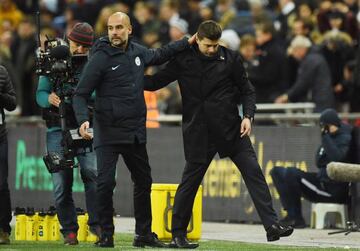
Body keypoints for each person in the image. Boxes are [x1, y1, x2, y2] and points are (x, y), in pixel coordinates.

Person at [144, 20, 294, 249]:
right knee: (190, 184)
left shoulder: (231, 58)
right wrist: (128, 78)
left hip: (231, 129)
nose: (212, 50)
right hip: (199, 132)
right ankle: (178, 234)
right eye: (207, 46)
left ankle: (272, 226)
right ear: (197, 40)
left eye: (215, 45)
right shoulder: (183, 58)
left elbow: (247, 91)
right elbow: (155, 83)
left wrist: (248, 116)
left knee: (253, 172)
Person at [72, 12, 195, 248]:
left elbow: (160, 55)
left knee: (144, 181)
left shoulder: (137, 52)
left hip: (135, 131)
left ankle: (143, 234)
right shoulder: (99, 58)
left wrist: (185, 42)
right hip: (107, 131)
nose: (114, 32)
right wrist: (82, 121)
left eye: (119, 27)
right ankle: (106, 234)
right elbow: (81, 93)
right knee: (106, 183)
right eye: (110, 28)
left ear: (129, 29)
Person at [36, 22, 99, 245]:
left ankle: (97, 224)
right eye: (76, 44)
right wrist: (49, 99)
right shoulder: (53, 60)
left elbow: (97, 95)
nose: (80, 50)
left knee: (92, 173)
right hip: (56, 128)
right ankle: (69, 230)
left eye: (84, 46)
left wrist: (81, 98)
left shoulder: (93, 63)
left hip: (85, 126)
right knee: (61, 183)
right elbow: (40, 94)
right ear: (68, 41)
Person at [270, 109, 351, 228]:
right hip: (322, 180)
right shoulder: (329, 137)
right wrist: (327, 148)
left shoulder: (345, 138)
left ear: (330, 124)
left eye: (324, 126)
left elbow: (337, 157)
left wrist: (326, 139)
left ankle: (296, 218)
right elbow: (318, 160)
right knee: (277, 172)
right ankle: (291, 214)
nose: (323, 129)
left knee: (292, 173)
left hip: (332, 190)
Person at [0, 65, 16, 245]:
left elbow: (13, 103)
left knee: (1, 184)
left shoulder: (2, 71)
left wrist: (1, 95)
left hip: (0, 136)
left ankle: (3, 229)